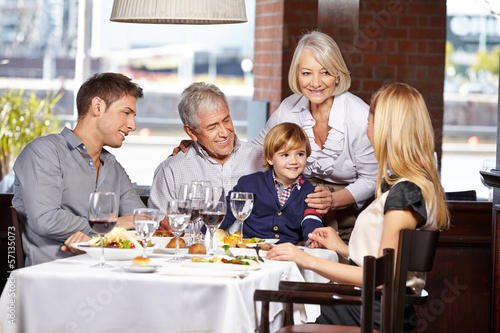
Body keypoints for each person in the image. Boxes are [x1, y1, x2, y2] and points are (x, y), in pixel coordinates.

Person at [265, 83, 450, 330]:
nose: (367, 130)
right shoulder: (412, 185)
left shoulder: (405, 193)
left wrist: (305, 259)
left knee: (265, 306)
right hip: (367, 307)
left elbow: (384, 278)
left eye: (369, 123)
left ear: (385, 129)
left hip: (368, 314)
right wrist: (340, 247)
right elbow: (385, 261)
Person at [252, 31, 379, 242]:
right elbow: (256, 150)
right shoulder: (288, 109)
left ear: (338, 74)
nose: (316, 83)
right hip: (296, 214)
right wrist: (201, 148)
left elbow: (372, 178)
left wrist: (333, 200)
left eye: (325, 72)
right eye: (307, 73)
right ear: (296, 74)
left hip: (351, 218)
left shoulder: (359, 117)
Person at [12, 72, 146, 265]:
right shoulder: (44, 151)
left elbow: (139, 221)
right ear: (97, 106)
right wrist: (112, 226)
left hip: (105, 272)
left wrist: (94, 239)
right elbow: (46, 219)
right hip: (51, 277)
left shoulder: (113, 166)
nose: (132, 125)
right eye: (126, 113)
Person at [148, 82, 266, 229]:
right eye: (212, 127)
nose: (224, 133)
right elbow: (160, 230)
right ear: (191, 132)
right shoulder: (171, 171)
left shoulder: (263, 159)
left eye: (226, 120)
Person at [220, 123, 323, 244]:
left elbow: (311, 219)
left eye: (300, 154)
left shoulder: (309, 190)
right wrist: (205, 234)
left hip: (288, 251)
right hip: (250, 248)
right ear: (270, 158)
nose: (294, 161)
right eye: (285, 155)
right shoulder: (249, 183)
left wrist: (314, 238)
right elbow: (227, 212)